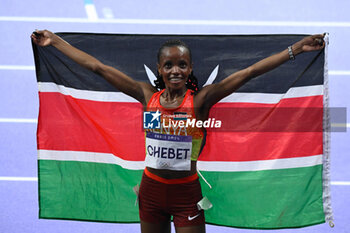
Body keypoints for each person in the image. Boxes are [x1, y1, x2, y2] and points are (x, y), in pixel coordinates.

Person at [31, 30, 325, 233]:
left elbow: (248, 73)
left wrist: (295, 49)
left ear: (190, 69)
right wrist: (55, 41)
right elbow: (97, 67)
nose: (175, 70)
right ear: (159, 69)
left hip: (187, 195)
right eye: (169, 65)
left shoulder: (200, 101)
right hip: (150, 191)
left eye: (181, 65)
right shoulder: (146, 96)